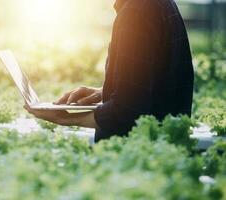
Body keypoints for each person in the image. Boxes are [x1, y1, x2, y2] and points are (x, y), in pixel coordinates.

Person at [24, 0, 194, 142]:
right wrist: (104, 92)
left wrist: (63, 118)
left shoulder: (136, 12)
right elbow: (156, 79)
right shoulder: (159, 4)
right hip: (160, 150)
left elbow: (125, 113)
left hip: (133, 161)